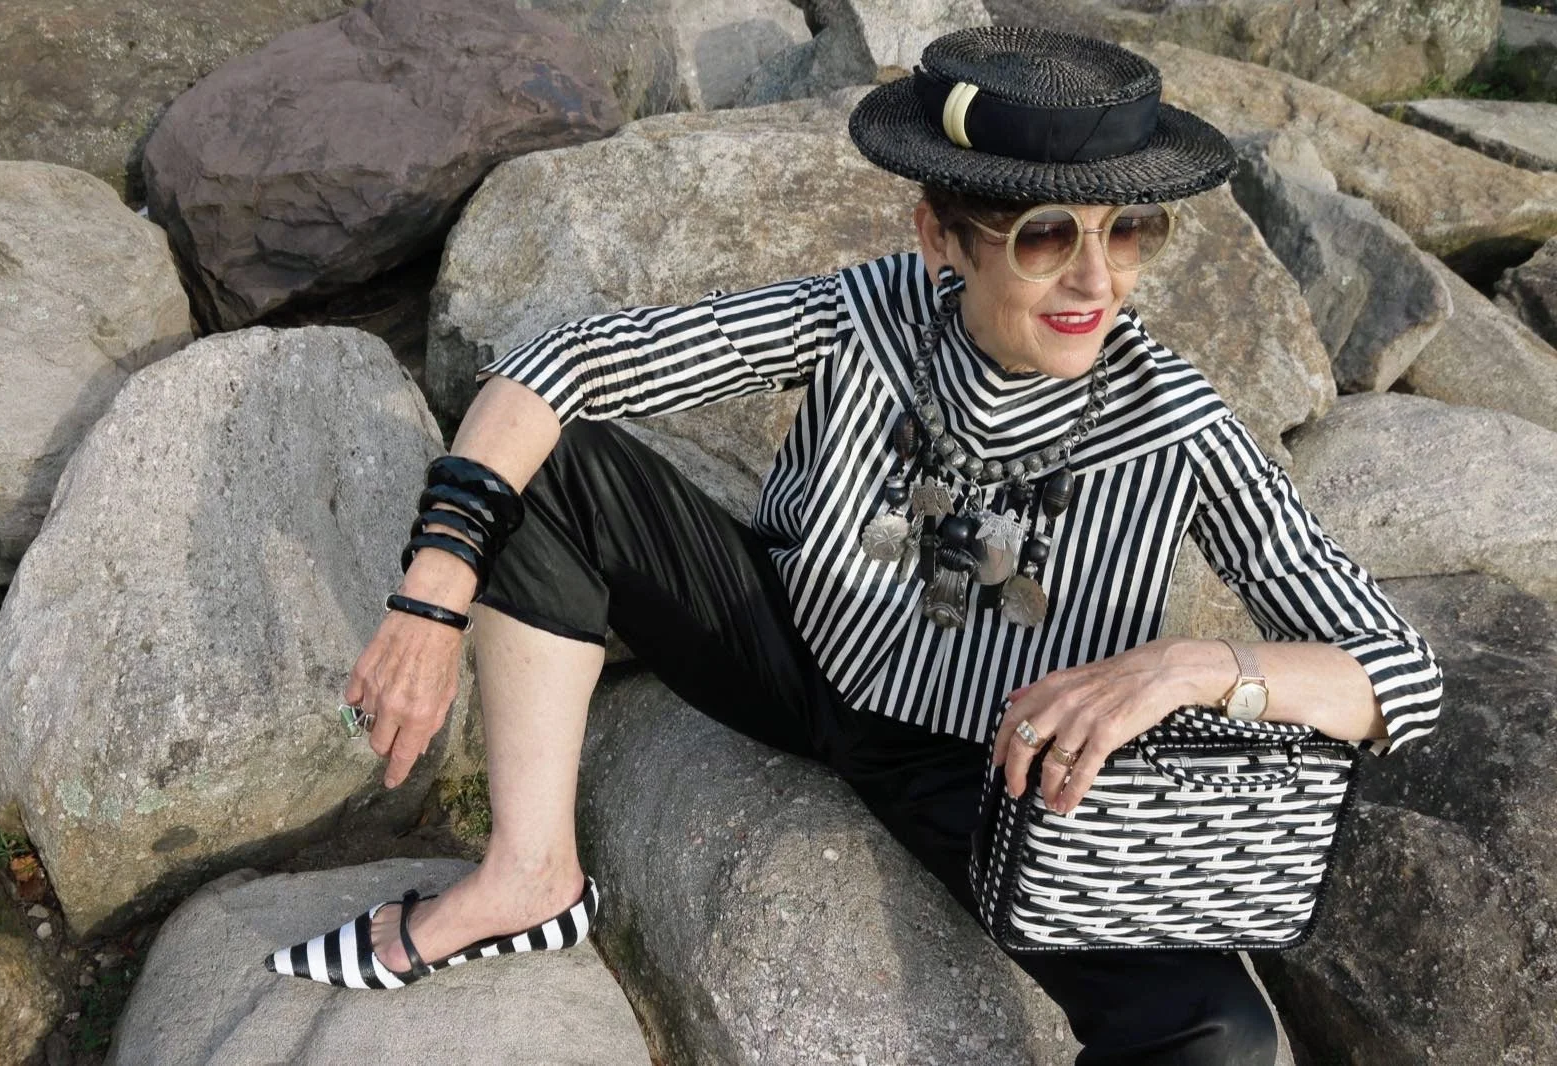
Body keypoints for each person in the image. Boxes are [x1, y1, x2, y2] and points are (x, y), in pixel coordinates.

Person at [266, 26, 1442, 1065]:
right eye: (1046, 237)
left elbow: (1398, 674)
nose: (1098, 279)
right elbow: (563, 363)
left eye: (1130, 230)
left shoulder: (1177, 425)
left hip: (991, 775)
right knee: (556, 467)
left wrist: (1193, 667)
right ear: (941, 235)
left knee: (1219, 1035)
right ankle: (528, 875)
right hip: (790, 649)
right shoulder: (865, 312)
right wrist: (432, 593)